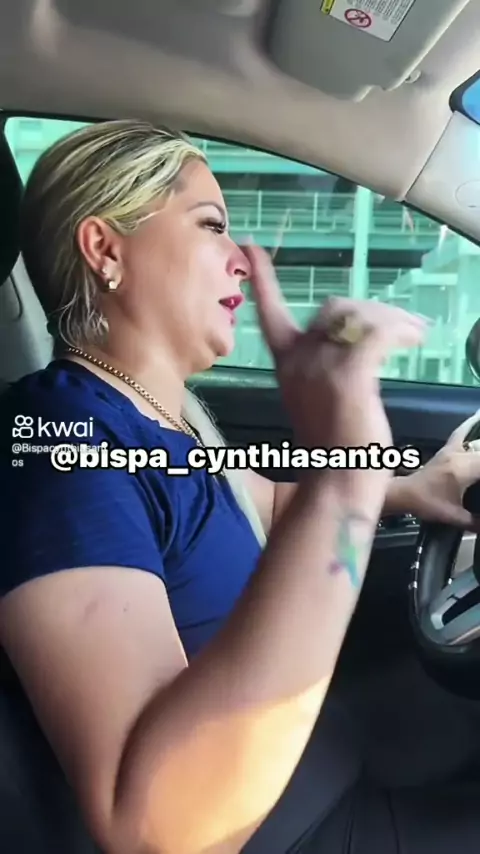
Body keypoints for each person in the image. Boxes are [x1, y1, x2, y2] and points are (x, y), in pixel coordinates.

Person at [0, 119, 480, 854]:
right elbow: (151, 826)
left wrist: (411, 486)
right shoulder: (62, 443)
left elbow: (262, 501)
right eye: (211, 225)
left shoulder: (161, 421)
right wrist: (348, 478)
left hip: (317, 762)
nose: (244, 261)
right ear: (105, 248)